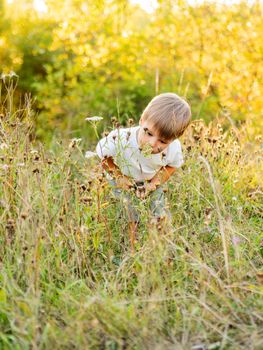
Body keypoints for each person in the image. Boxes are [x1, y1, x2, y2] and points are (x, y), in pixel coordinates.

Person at [95, 93, 191, 251]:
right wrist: (119, 177)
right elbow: (103, 156)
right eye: (149, 133)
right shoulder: (121, 138)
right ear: (141, 121)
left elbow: (171, 166)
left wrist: (154, 183)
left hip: (150, 179)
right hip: (123, 177)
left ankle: (158, 246)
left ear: (174, 140)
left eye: (163, 141)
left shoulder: (174, 148)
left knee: (159, 212)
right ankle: (133, 247)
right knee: (131, 213)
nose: (153, 144)